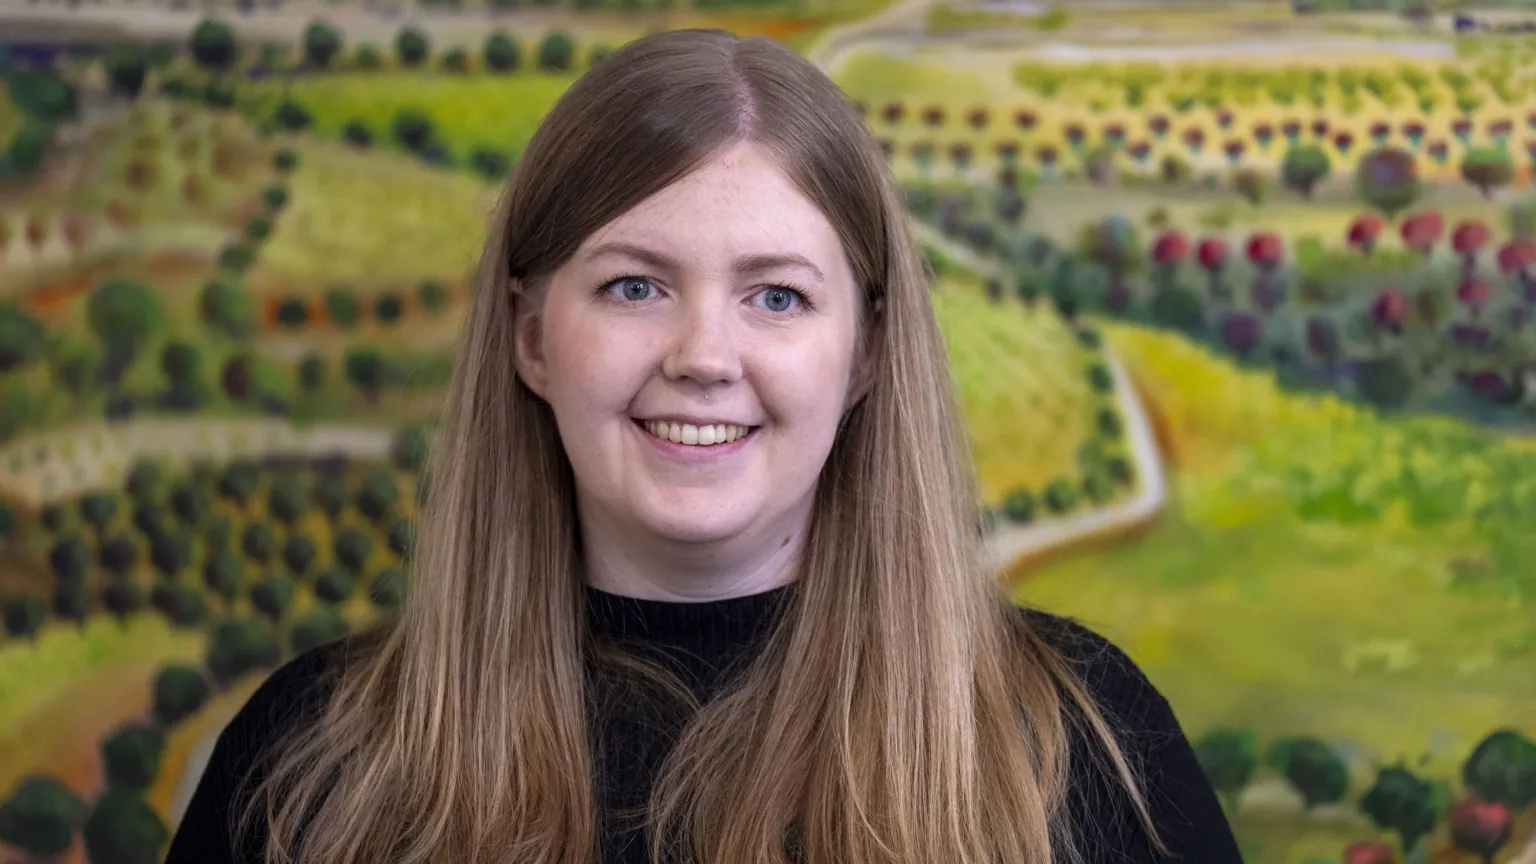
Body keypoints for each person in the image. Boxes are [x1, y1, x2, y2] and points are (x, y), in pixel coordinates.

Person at [164, 28, 1243, 864]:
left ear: (865, 352)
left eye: (777, 296)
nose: (703, 357)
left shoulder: (1083, 750)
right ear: (531, 336)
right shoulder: (307, 767)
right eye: (635, 286)